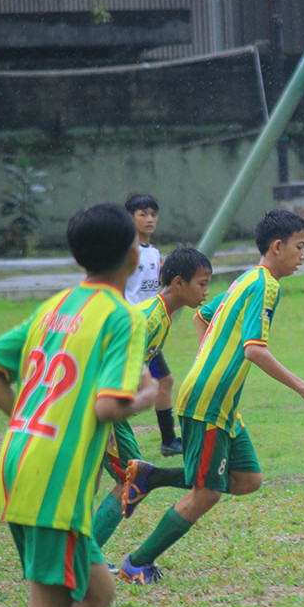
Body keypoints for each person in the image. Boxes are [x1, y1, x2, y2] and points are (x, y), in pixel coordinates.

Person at [0, 203, 159, 607]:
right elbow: (108, 408)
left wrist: (24, 419)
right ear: (133, 256)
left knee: (97, 594)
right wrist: (148, 394)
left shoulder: (55, 306)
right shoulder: (122, 316)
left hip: (20, 462)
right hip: (54, 480)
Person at [119, 209, 304, 585]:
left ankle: (152, 475)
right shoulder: (267, 285)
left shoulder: (247, 279)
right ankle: (135, 563)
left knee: (248, 478)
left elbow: (201, 317)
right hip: (208, 400)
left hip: (221, 402)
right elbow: (255, 349)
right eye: (300, 247)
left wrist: (215, 355)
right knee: (206, 494)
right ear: (277, 246)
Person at [92, 246, 213, 557]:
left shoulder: (164, 317)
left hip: (104, 406)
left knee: (100, 477)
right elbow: (110, 363)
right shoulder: (149, 318)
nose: (206, 292)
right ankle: (84, 558)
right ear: (178, 283)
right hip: (98, 403)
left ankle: (82, 556)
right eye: (202, 283)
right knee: (130, 478)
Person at [124, 192, 181, 457]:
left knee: (164, 381)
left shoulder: (154, 251)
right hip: (132, 330)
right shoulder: (126, 252)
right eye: (142, 214)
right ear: (130, 218)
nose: (149, 219)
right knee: (133, 387)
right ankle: (104, 426)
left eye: (153, 214)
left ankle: (169, 441)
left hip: (150, 329)